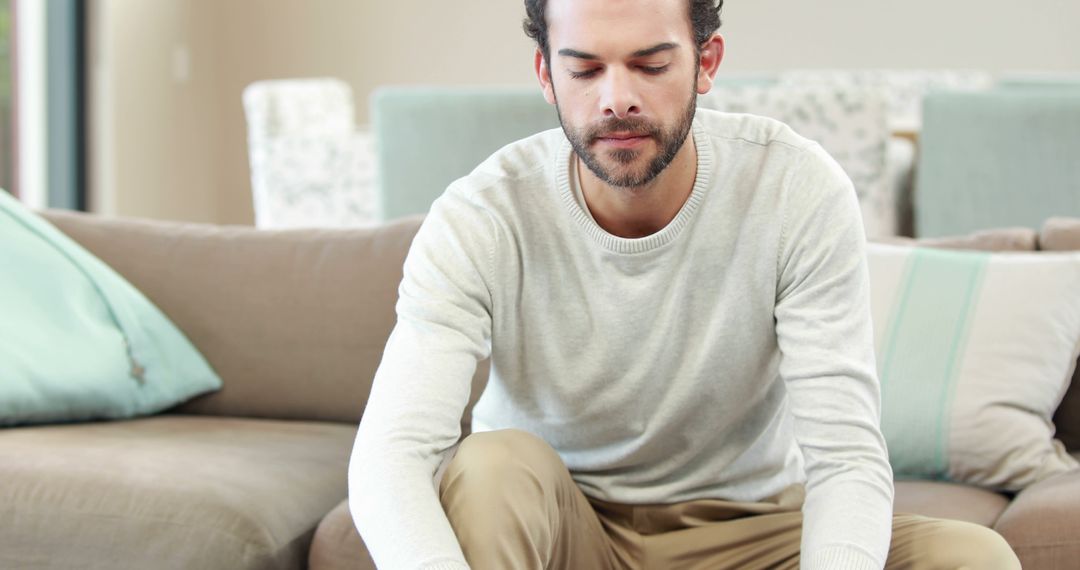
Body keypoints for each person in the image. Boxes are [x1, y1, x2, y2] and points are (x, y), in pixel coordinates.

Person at [348, 0, 1023, 568]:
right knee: (489, 469)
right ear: (546, 76)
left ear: (706, 62)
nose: (618, 99)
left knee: (974, 558)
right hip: (562, 527)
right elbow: (391, 457)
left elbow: (846, 460)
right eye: (584, 68)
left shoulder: (795, 189)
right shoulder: (481, 216)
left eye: (650, 64)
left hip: (749, 531)